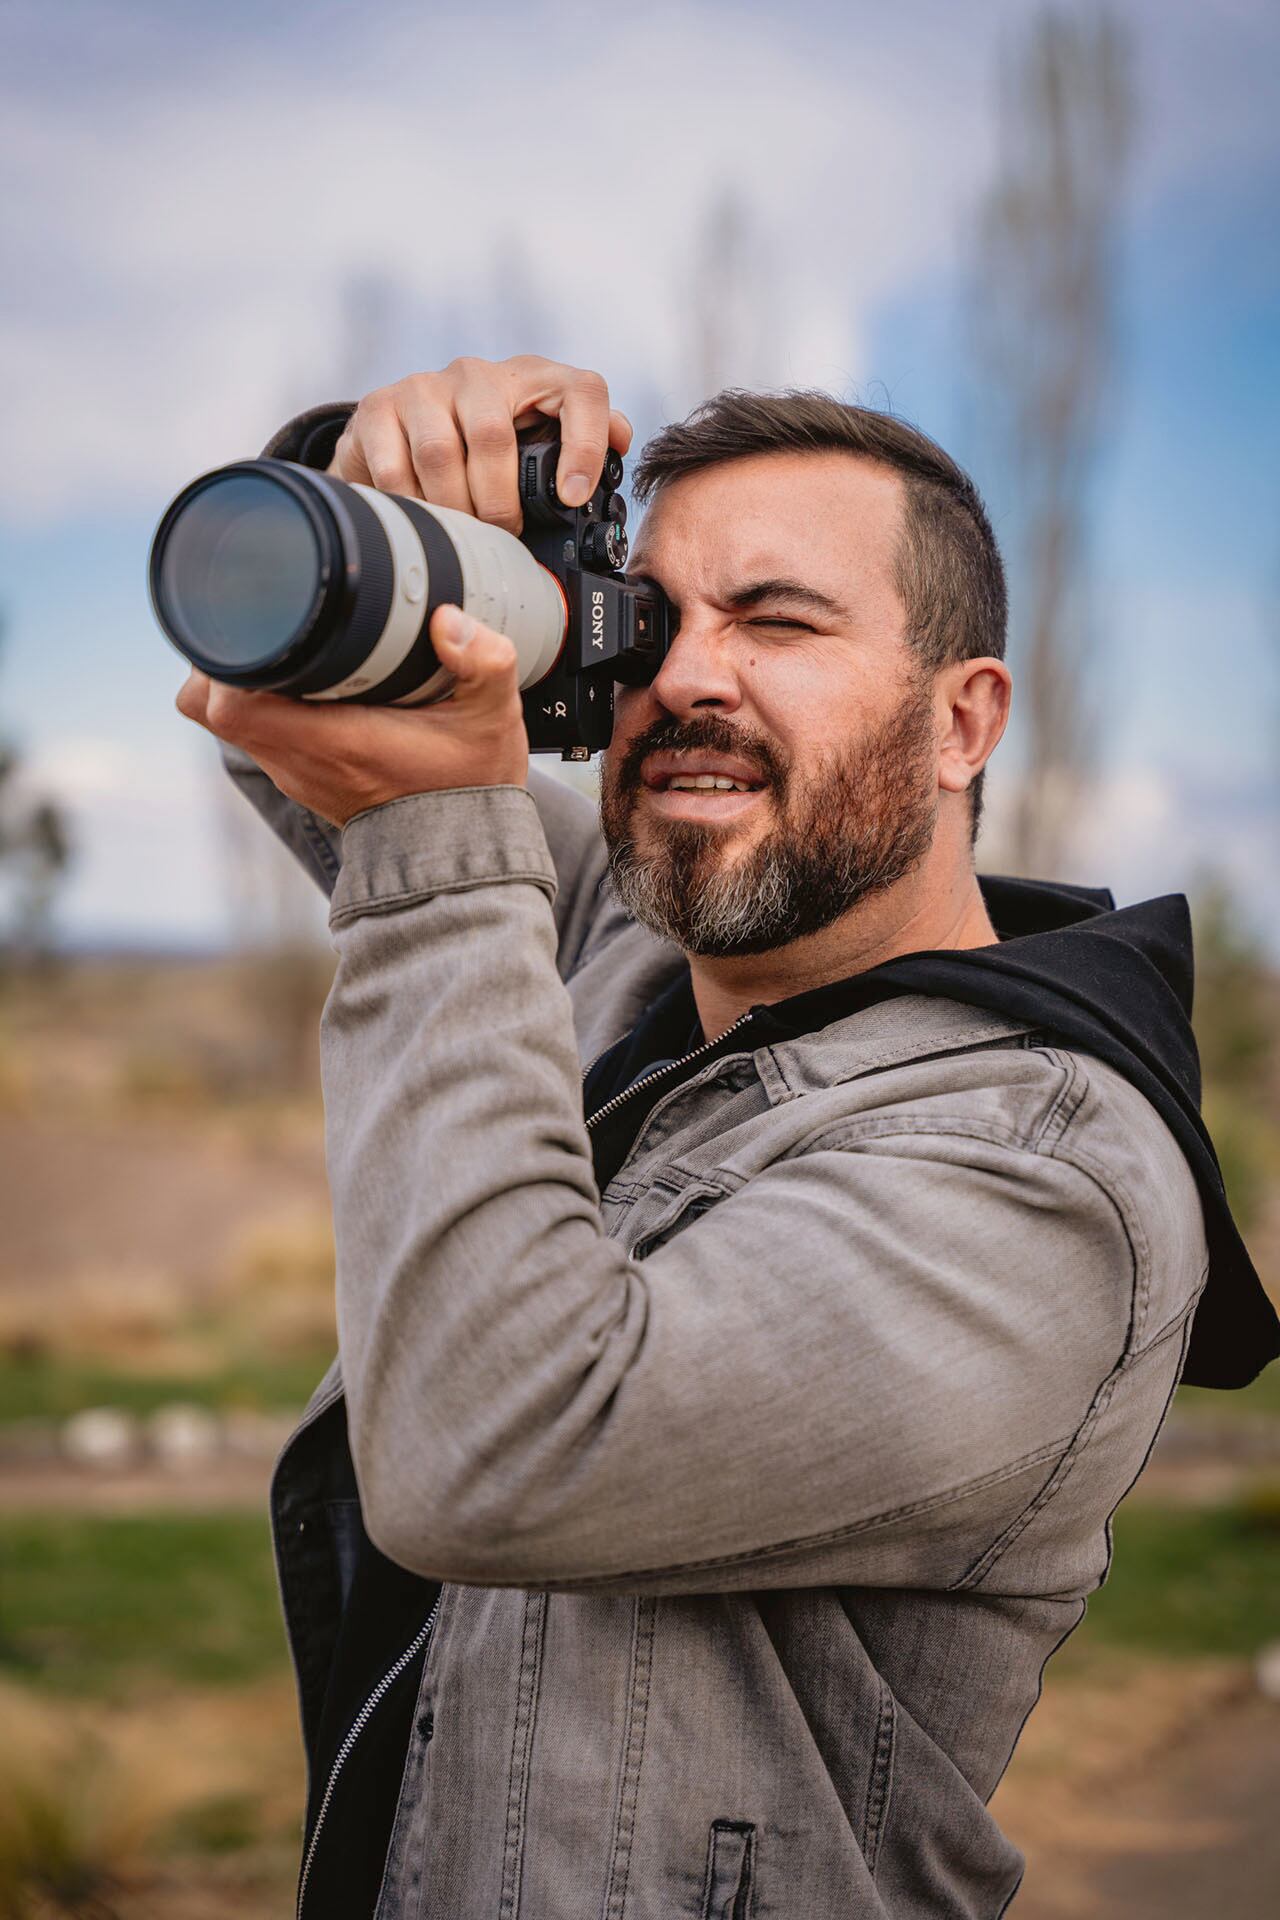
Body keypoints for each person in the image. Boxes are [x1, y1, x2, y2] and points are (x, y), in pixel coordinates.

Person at [177, 354, 1278, 1919]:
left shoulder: (1046, 1176)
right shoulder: (624, 949)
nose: (689, 676)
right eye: (651, 620)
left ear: (964, 721)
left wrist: (435, 836)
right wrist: (369, 479)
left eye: (777, 620)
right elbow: (292, 704)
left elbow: (493, 1449)